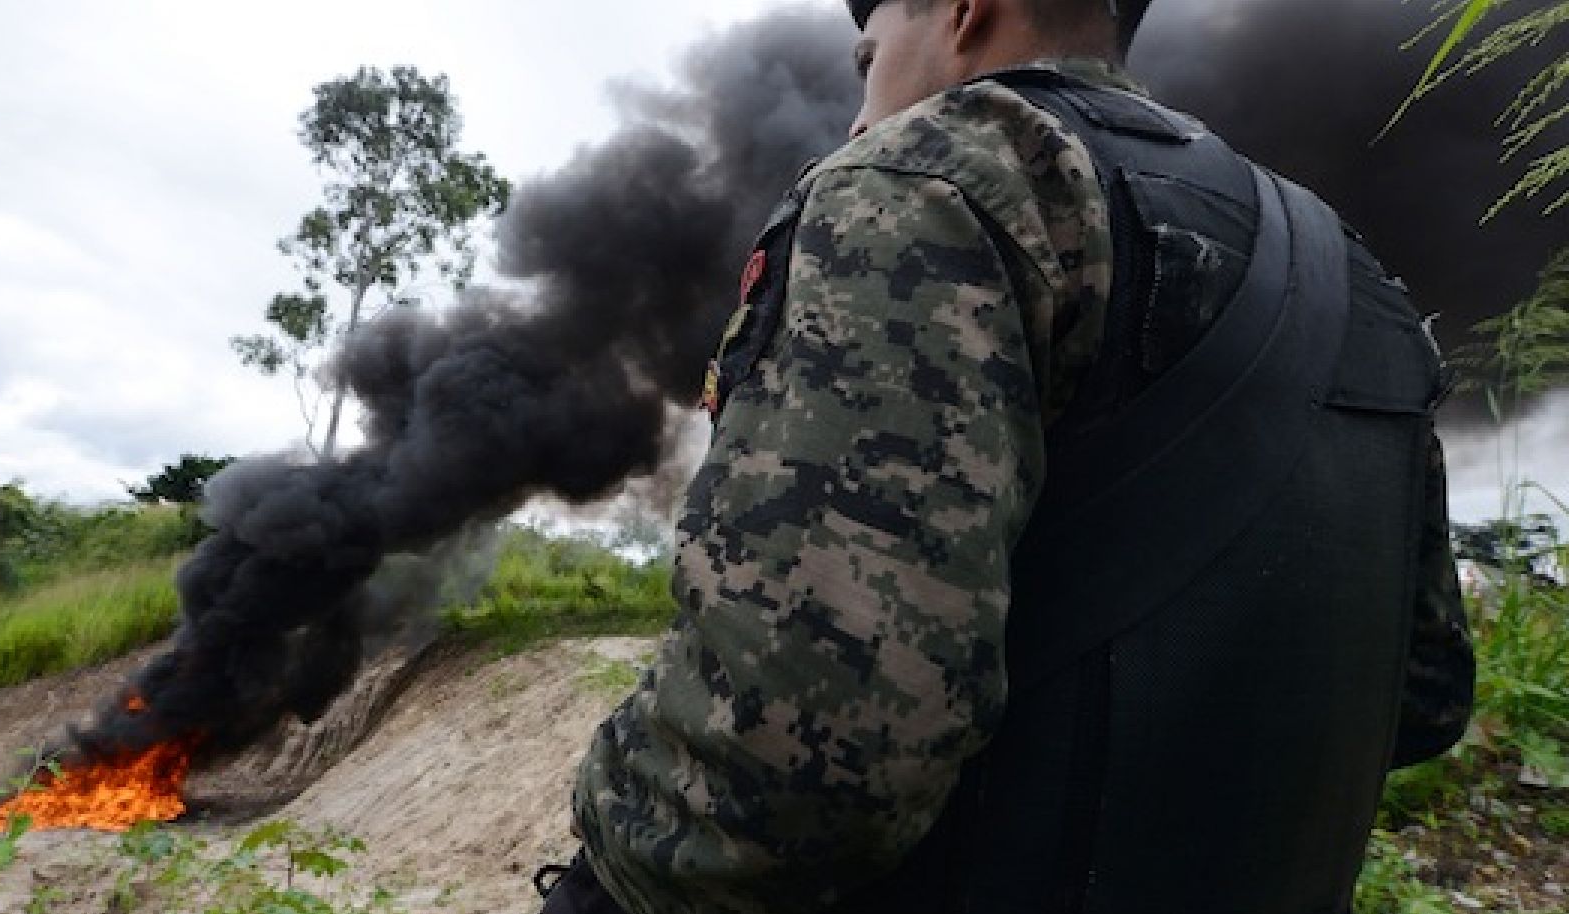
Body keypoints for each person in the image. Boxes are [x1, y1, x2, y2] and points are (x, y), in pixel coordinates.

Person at [536, 0, 1477, 911]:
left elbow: (797, 757)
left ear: (964, 12)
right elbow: (1425, 694)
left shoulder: (933, 181)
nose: (860, 113)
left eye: (867, 61)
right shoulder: (1348, 266)